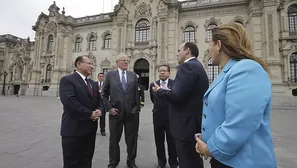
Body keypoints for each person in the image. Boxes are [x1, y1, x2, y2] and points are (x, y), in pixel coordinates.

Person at [195, 22, 277, 168]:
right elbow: (224, 114)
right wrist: (208, 138)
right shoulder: (229, 71)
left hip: (244, 162)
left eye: (210, 43)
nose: (209, 48)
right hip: (226, 159)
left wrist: (209, 148)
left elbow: (239, 124)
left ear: (219, 45)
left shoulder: (246, 69)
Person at [153, 42, 209, 168]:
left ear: (187, 50)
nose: (177, 53)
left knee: (187, 162)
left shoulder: (187, 67)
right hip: (193, 124)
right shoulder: (197, 66)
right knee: (194, 161)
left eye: (179, 50)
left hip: (185, 127)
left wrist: (159, 91)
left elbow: (176, 96)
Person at [59, 55, 104, 168]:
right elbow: (69, 102)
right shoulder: (67, 80)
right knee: (72, 163)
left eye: (92, 64)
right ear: (79, 64)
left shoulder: (92, 84)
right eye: (89, 63)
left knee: (86, 161)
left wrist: (100, 110)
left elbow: (100, 101)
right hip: (73, 130)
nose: (92, 66)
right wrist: (89, 114)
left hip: (90, 130)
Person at [101, 53, 140, 168]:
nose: (126, 62)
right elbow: (104, 94)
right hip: (115, 113)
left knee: (132, 140)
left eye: (127, 61)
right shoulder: (110, 75)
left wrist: (137, 108)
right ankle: (113, 162)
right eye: (123, 60)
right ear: (117, 62)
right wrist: (109, 108)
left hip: (131, 113)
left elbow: (137, 94)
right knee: (114, 140)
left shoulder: (133, 75)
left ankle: (131, 161)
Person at [150, 64, 178, 168]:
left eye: (164, 71)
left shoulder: (174, 83)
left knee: (172, 142)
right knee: (159, 142)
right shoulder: (153, 84)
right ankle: (161, 162)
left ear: (169, 73)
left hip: (171, 118)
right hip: (158, 118)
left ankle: (173, 163)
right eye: (160, 71)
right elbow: (153, 99)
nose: (162, 72)